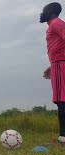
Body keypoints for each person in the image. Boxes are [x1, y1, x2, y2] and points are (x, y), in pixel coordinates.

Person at [40, 2, 65, 144]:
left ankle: (63, 138)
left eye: (44, 10)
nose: (42, 12)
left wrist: (61, 62)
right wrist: (52, 65)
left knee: (63, 101)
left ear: (50, 10)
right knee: (61, 101)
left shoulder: (56, 23)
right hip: (57, 65)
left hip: (61, 65)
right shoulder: (52, 25)